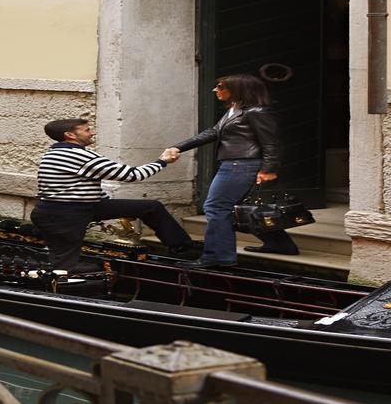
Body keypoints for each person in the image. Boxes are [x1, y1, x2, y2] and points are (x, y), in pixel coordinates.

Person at [165, 73, 299, 269]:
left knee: (216, 208)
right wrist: (178, 147)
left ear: (238, 90)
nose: (215, 90)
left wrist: (269, 169)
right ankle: (280, 244)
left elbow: (272, 143)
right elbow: (213, 132)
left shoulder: (256, 111)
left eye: (220, 87)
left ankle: (218, 257)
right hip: (237, 165)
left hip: (241, 165)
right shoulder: (235, 110)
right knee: (246, 207)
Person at [30, 118, 195, 270]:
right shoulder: (78, 155)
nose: (92, 132)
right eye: (87, 130)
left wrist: (117, 208)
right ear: (70, 135)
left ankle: (182, 248)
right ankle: (58, 292)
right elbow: (132, 175)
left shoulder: (54, 153)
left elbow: (76, 185)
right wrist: (162, 161)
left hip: (82, 207)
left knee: (151, 207)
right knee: (64, 263)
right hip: (64, 214)